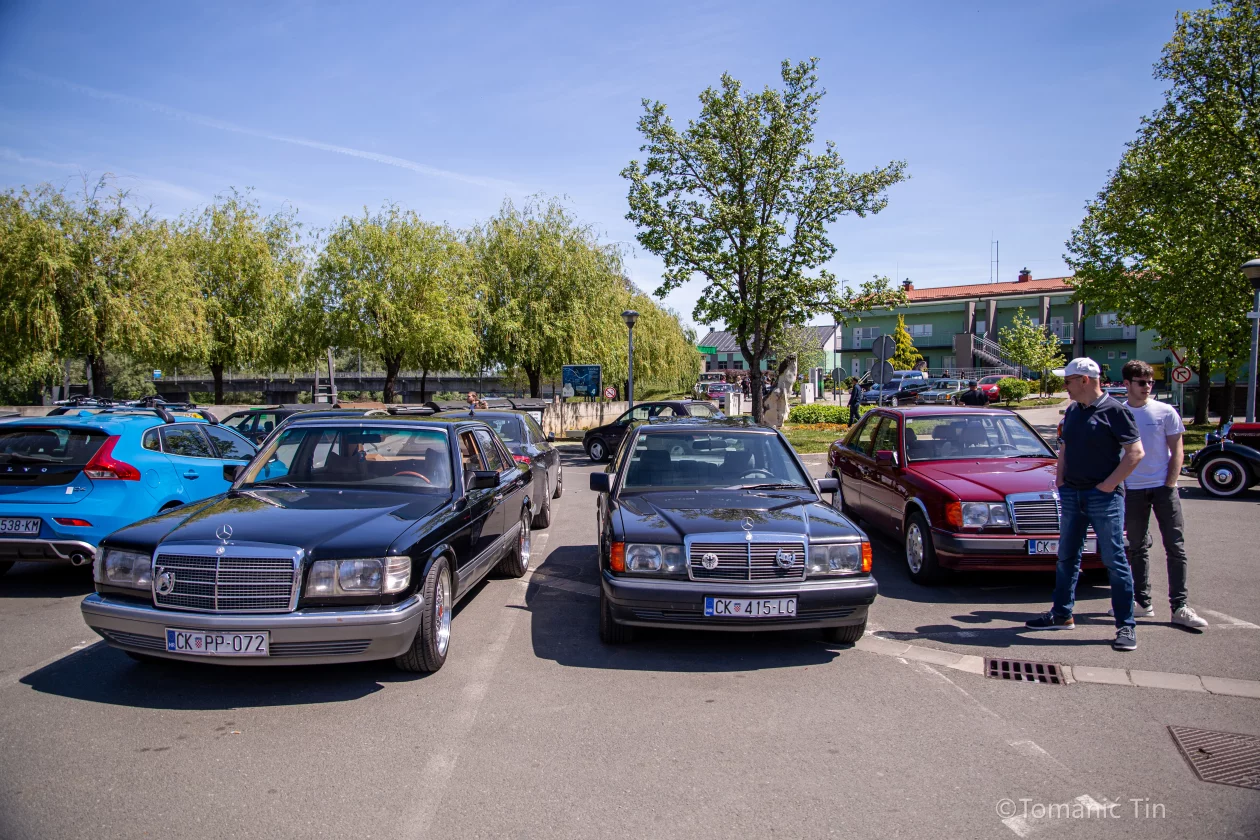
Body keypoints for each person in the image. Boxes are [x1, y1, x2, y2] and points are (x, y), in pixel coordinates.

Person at [1026, 357, 1145, 651]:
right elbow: (1065, 447)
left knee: (1114, 560)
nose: (1064, 386)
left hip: (1103, 497)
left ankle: (1126, 625)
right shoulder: (1073, 411)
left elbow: (1135, 453)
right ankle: (1062, 614)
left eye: (1067, 381)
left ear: (1085, 380)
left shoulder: (1115, 411)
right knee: (1067, 556)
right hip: (1072, 494)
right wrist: (1061, 481)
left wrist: (1108, 486)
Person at [1118, 359, 1208, 629]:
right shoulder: (1119, 413)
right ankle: (1142, 602)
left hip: (1163, 488)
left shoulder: (1165, 412)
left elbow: (1177, 450)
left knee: (1175, 547)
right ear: (1127, 384)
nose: (1147, 387)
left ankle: (1180, 607)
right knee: (1137, 547)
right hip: (1132, 489)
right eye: (1141, 382)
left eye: (1150, 382)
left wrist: (1170, 483)